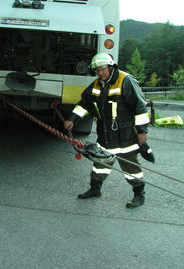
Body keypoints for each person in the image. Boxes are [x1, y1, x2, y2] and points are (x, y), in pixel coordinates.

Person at [64, 52, 150, 208]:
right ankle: (95, 189)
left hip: (126, 136)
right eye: (97, 70)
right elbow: (84, 104)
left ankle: (139, 195)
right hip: (105, 135)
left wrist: (142, 132)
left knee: (132, 168)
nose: (100, 73)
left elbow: (140, 107)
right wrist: (72, 119)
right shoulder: (97, 85)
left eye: (103, 69)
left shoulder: (125, 81)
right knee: (100, 163)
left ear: (110, 67)